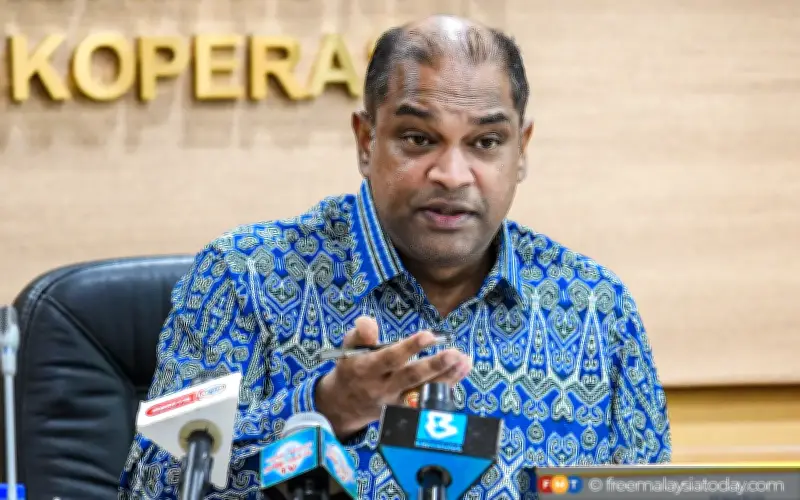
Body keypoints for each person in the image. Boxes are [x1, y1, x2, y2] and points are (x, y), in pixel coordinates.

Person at [119, 14, 671, 500]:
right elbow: (152, 486)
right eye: (418, 138)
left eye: (485, 143)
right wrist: (323, 408)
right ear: (366, 141)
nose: (452, 175)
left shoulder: (596, 307)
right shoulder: (245, 276)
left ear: (521, 151)